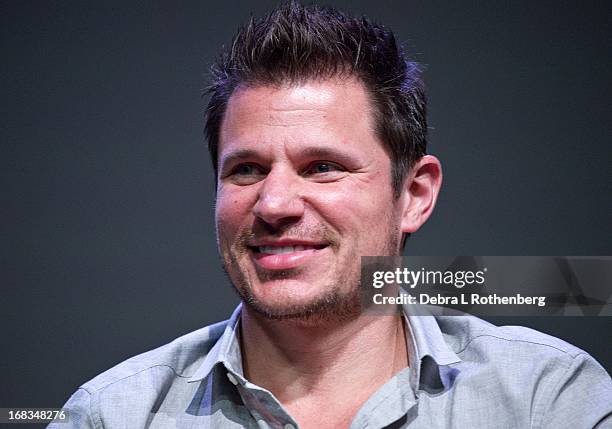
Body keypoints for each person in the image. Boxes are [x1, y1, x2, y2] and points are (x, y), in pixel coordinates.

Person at [50, 2, 612, 428]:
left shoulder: (548, 399)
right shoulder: (113, 415)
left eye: (322, 167)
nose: (273, 204)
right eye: (245, 170)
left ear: (414, 194)